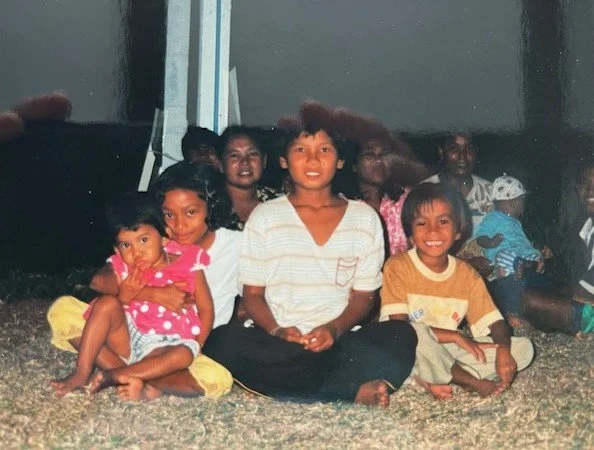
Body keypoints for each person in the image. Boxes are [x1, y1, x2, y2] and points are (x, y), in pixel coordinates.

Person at [202, 101, 418, 407]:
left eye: (324, 150)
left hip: (340, 339)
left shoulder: (364, 218)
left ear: (340, 160)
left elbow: (364, 296)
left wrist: (334, 329)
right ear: (283, 159)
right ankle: (346, 389)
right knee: (222, 340)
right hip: (279, 342)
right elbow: (253, 295)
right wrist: (278, 331)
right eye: (301, 150)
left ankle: (307, 385)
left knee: (401, 334)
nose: (313, 159)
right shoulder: (265, 217)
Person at [47, 163, 240, 400]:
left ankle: (119, 374)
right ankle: (117, 375)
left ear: (211, 207)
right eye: (169, 214)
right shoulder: (143, 244)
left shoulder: (220, 251)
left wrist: (198, 345)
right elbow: (99, 282)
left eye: (191, 212)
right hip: (129, 335)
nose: (179, 225)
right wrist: (152, 294)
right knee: (65, 309)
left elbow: (215, 306)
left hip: (176, 342)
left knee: (216, 377)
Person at [380, 183, 534, 400]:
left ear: (459, 231)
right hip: (406, 346)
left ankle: (436, 376)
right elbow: (400, 327)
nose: (433, 230)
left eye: (443, 221)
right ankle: (469, 381)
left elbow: (495, 322)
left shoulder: (466, 273)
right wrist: (456, 336)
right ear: (410, 234)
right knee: (416, 335)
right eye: (422, 223)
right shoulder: (398, 266)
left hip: (448, 351)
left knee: (523, 349)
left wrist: (503, 351)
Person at [522, 163, 594, 335]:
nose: (590, 190)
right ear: (578, 190)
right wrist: (545, 260)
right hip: (586, 297)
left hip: (590, 308)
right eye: (585, 184)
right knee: (527, 283)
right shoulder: (585, 226)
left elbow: (582, 293)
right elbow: (569, 272)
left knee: (528, 299)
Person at [475, 175, 549, 325]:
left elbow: (520, 241)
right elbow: (480, 237)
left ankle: (529, 265)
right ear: (515, 202)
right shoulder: (492, 218)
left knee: (535, 256)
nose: (524, 205)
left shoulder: (516, 223)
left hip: (520, 255)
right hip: (503, 260)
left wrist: (536, 251)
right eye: (523, 201)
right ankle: (518, 266)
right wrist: (490, 242)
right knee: (505, 256)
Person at [423, 132, 493, 276]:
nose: (462, 156)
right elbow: (421, 250)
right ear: (441, 152)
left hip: (489, 279)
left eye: (469, 149)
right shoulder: (424, 193)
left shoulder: (491, 192)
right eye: (454, 148)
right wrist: (467, 265)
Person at [215, 126, 280, 230]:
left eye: (252, 154)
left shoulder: (280, 203)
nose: (245, 162)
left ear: (264, 161)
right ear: (220, 164)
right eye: (235, 155)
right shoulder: (207, 206)